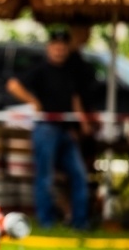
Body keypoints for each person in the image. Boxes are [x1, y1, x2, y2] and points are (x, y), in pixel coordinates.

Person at [7, 27, 90, 229]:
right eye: (56, 46)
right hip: (46, 128)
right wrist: (33, 101)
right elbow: (13, 85)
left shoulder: (71, 71)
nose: (59, 50)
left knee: (79, 175)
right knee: (45, 177)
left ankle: (79, 222)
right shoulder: (40, 69)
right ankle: (47, 221)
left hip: (66, 130)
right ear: (49, 48)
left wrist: (81, 122)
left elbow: (74, 99)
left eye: (63, 47)